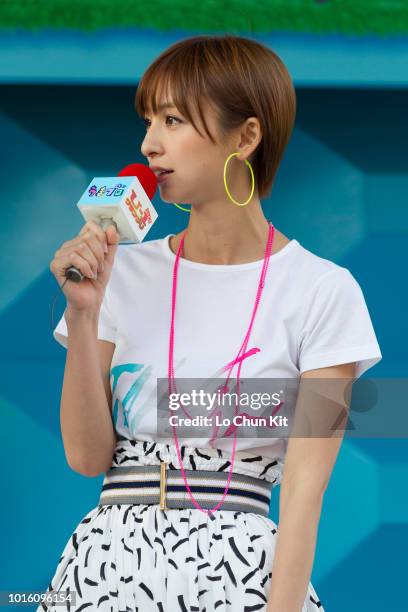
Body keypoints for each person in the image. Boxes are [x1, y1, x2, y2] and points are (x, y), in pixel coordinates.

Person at [42, 35, 382, 612]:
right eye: (149, 120)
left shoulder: (323, 291)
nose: (149, 144)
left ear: (246, 137)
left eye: (173, 119)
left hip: (239, 575)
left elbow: (303, 492)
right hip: (104, 569)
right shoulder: (120, 272)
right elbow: (86, 457)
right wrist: (83, 312)